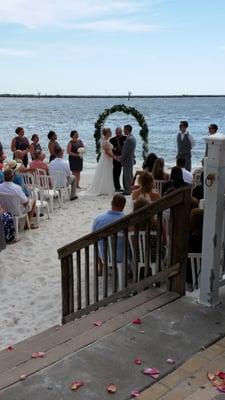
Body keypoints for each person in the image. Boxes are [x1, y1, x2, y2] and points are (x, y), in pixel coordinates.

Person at [92, 194, 126, 275]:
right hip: (122, 256)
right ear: (123, 206)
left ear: (111, 203)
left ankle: (100, 267)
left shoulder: (98, 219)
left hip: (104, 254)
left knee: (97, 243)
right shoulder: (125, 220)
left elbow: (93, 238)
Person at [89, 128, 115, 195]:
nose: (111, 133)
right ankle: (104, 189)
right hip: (106, 158)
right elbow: (107, 152)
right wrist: (114, 157)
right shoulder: (105, 141)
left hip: (106, 158)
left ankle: (105, 188)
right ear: (107, 133)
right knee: (106, 172)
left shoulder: (105, 140)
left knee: (105, 172)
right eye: (110, 132)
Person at [121, 124, 136, 195]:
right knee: (129, 175)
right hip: (130, 159)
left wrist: (121, 158)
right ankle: (130, 189)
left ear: (127, 130)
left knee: (127, 176)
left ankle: (128, 190)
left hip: (127, 160)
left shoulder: (129, 139)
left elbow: (125, 151)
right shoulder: (133, 138)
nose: (123, 131)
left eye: (124, 129)